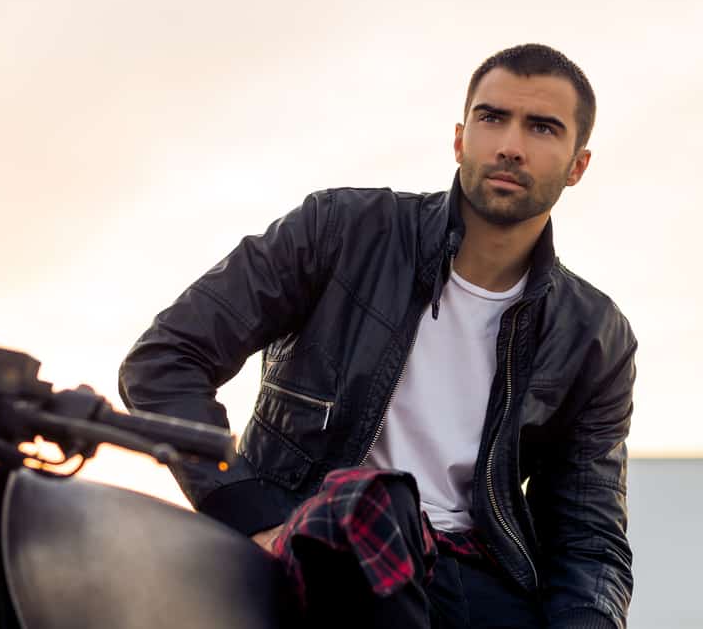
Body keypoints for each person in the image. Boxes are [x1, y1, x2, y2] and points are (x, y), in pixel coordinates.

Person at [118, 44, 635, 628]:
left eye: (542, 127)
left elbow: (588, 537)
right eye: (492, 118)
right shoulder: (341, 231)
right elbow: (164, 361)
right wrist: (249, 513)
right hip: (319, 540)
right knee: (374, 503)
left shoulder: (595, 334)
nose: (510, 145)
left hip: (474, 581)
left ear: (577, 165)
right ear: (461, 138)